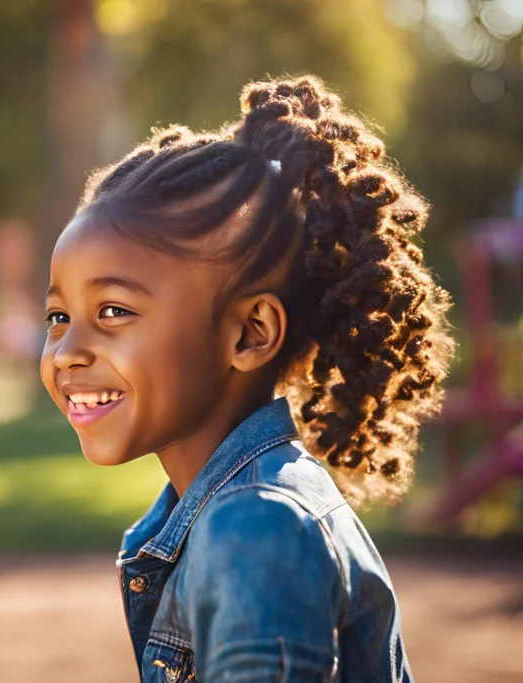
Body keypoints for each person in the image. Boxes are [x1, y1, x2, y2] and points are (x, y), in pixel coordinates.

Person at [40, 76, 453, 681]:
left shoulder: (255, 528)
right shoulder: (227, 512)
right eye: (58, 316)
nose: (68, 351)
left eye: (113, 312)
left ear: (250, 333)